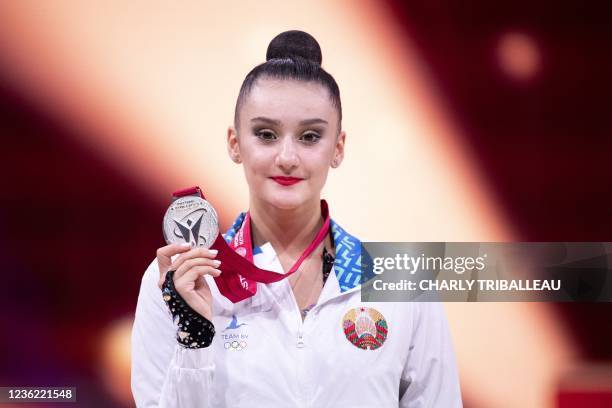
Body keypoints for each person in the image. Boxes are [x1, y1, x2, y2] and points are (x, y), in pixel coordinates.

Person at [131, 30, 462, 407]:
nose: (287, 156)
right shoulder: (179, 282)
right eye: (266, 134)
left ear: (337, 148)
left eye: (309, 136)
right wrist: (193, 338)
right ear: (234, 143)